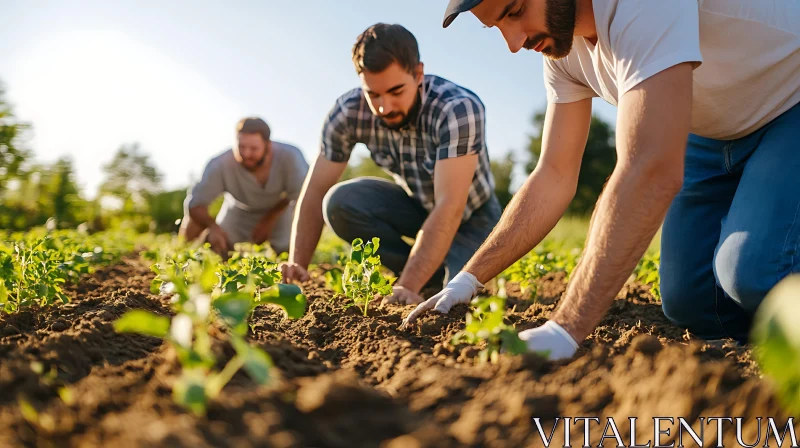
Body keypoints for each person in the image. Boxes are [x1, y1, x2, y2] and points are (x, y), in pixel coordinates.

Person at [405, 0, 800, 360]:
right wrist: (467, 279)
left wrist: (566, 328)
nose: (514, 42)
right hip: (711, 133)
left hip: (790, 101)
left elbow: (650, 167)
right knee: (692, 301)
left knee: (755, 272)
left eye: (515, 10)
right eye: (497, 27)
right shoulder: (563, 50)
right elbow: (554, 174)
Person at [281, 23, 501, 305]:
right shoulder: (347, 114)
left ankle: (426, 277)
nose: (384, 107)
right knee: (339, 202)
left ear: (418, 74)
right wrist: (297, 264)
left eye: (396, 91)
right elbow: (314, 191)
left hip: (473, 216)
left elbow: (450, 206)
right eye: (373, 94)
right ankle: (424, 275)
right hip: (417, 206)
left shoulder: (456, 109)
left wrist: (408, 285)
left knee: (455, 299)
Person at [180, 117, 309, 257]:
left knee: (288, 252)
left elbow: (303, 195)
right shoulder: (219, 164)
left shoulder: (291, 156)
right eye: (241, 147)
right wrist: (214, 227)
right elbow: (195, 205)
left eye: (253, 149)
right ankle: (182, 255)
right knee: (208, 239)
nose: (246, 154)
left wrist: (269, 219)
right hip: (237, 211)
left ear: (268, 145)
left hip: (279, 211)